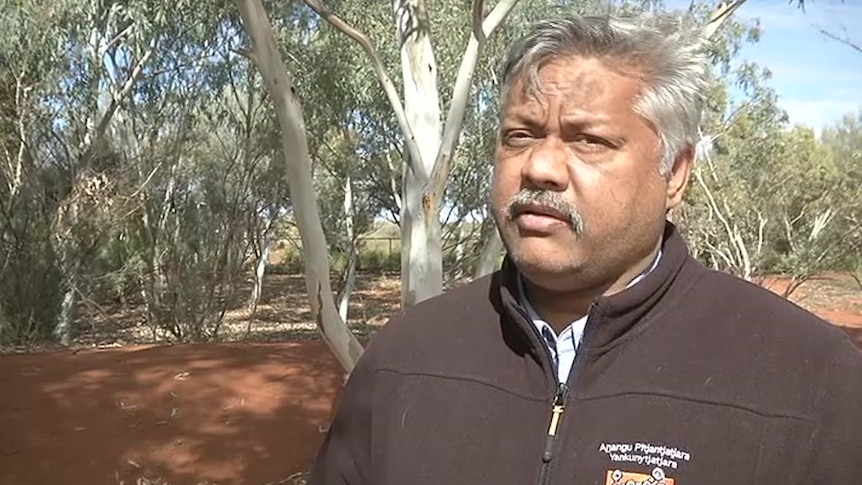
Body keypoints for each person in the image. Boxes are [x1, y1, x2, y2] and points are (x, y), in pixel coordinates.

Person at [307, 12, 862, 485]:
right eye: (519, 135)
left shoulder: (810, 381)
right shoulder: (406, 358)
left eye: (589, 140)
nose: (540, 167)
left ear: (676, 174)